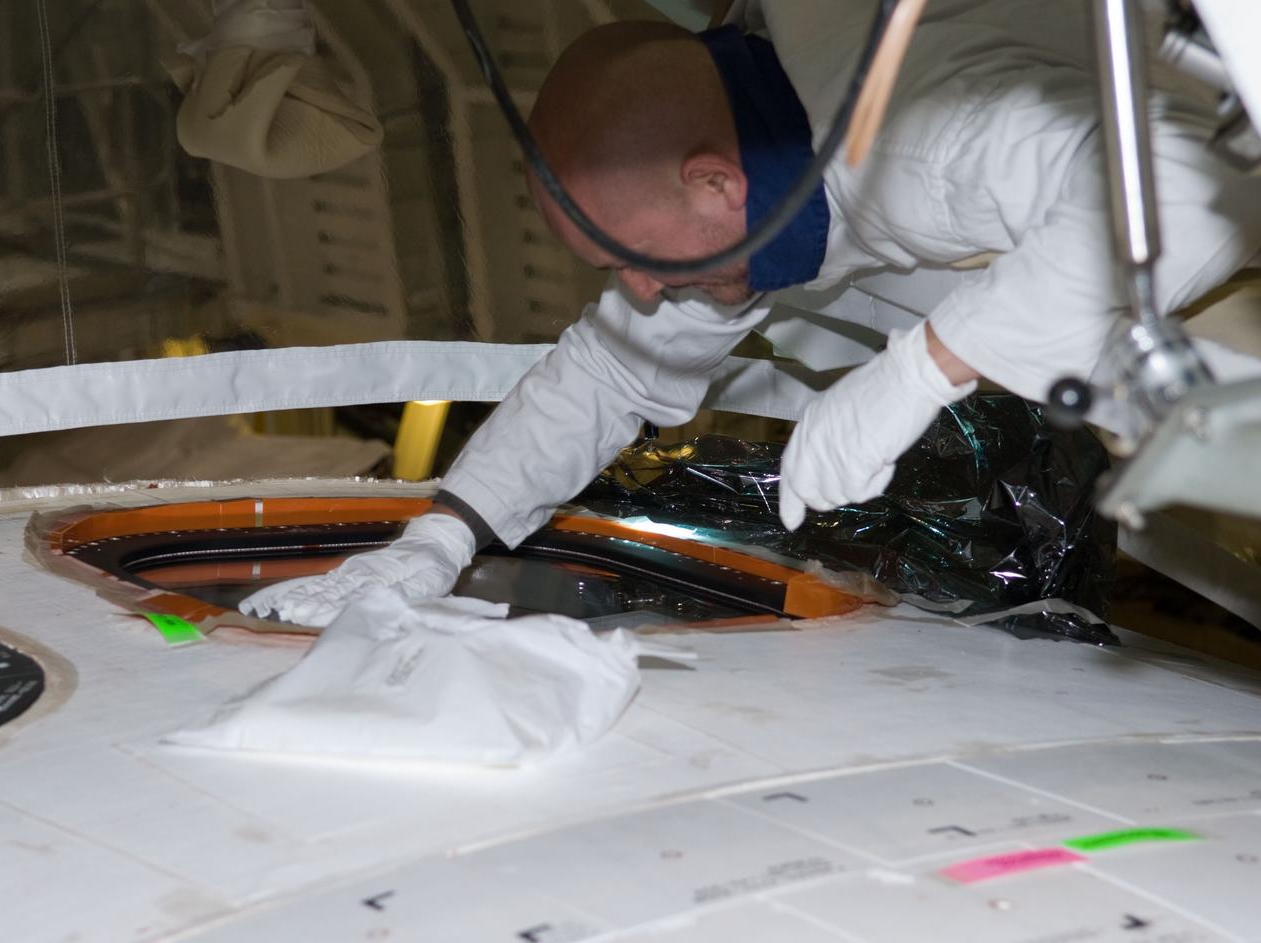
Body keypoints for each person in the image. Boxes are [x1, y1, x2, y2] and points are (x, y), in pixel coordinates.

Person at [241, 0, 1261, 627]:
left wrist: (922, 368)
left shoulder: (922, 148)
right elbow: (604, 371)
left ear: (717, 183)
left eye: (633, 261)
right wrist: (437, 541)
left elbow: (1178, 186)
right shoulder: (740, 184)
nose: (639, 289)